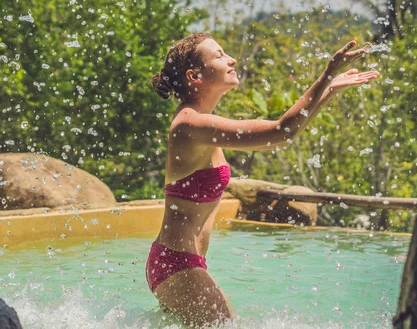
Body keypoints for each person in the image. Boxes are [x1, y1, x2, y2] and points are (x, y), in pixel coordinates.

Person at [147, 32, 379, 327]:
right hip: (177, 263)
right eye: (219, 56)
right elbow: (282, 132)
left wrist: (328, 89)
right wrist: (327, 74)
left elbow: (284, 133)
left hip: (182, 263)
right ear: (195, 75)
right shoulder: (191, 123)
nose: (231, 59)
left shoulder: (203, 121)